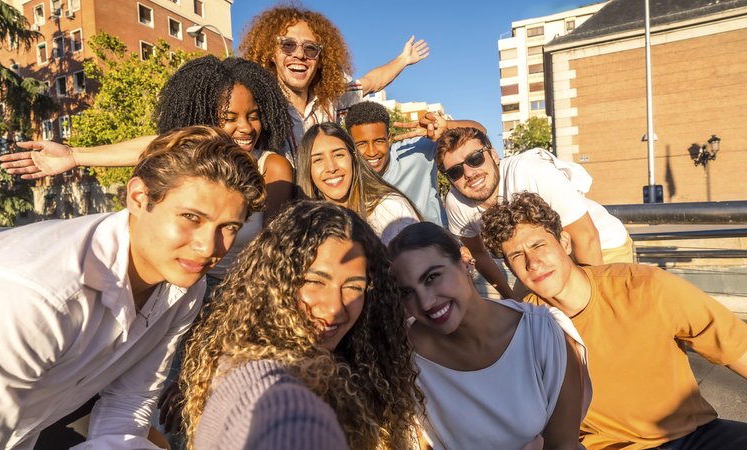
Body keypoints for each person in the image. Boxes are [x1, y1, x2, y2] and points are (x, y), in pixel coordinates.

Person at [0, 126, 266, 449]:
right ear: (138, 197)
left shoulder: (184, 285)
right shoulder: (34, 301)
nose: (208, 247)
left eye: (229, 228)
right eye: (191, 217)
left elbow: (130, 402)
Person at [481, 192, 747, 450]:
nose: (533, 263)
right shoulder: (522, 330)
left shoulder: (644, 287)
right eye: (516, 256)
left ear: (564, 242)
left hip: (693, 435)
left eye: (538, 245)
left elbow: (737, 347)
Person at [0, 56, 293, 282]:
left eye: (253, 116)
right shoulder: (192, 159)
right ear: (202, 119)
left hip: (238, 294)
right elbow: (155, 145)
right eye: (229, 118)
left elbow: (272, 251)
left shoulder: (272, 166)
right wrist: (74, 156)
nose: (245, 128)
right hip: (179, 290)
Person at [179, 200, 423, 450]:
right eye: (315, 281)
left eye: (353, 287)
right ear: (276, 281)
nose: (334, 307)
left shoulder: (362, 366)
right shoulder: (257, 377)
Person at [388, 221, 591, 450]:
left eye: (432, 277)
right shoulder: (401, 358)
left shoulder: (542, 333)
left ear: (465, 260)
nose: (425, 302)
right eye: (407, 292)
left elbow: (563, 445)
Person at [437, 126, 632, 298]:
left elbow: (586, 238)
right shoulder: (456, 203)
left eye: (475, 159)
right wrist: (510, 298)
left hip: (601, 247)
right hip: (536, 257)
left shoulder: (529, 171)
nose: (469, 173)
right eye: (455, 171)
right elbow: (478, 253)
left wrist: (594, 306)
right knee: (523, 317)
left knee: (602, 311)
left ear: (494, 155)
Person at [239, 5, 429, 159]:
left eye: (310, 48)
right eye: (288, 45)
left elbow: (372, 82)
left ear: (321, 59)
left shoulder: (330, 100)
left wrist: (403, 59)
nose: (300, 54)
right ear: (271, 53)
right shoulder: (257, 105)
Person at [344, 100, 487, 227]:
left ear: (389, 139)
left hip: (438, 242)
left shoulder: (415, 151)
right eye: (362, 144)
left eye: (379, 141)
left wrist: (448, 126)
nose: (372, 152)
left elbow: (481, 132)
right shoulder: (348, 176)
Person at [296, 122, 420, 245]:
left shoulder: (390, 207)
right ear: (307, 169)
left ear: (353, 157)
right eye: (318, 160)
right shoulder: (304, 225)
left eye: (338, 155)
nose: (331, 168)